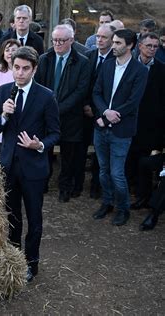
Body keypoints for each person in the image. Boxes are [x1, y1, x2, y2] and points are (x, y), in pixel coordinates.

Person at [0, 46, 60, 282]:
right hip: (9, 166)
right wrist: (2, 115)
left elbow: (55, 133)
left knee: (34, 218)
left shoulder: (46, 96)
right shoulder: (2, 93)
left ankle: (32, 263)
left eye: (25, 69)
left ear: (34, 69)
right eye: (16, 68)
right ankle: (14, 261)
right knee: (12, 217)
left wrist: (39, 145)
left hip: (34, 169)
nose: (19, 73)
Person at [91, 29, 148, 226]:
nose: (112, 46)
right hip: (101, 128)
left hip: (121, 131)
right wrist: (105, 112)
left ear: (130, 45)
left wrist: (107, 118)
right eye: (113, 42)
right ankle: (107, 202)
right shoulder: (106, 66)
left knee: (117, 173)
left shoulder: (140, 71)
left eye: (117, 43)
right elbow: (96, 92)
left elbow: (133, 102)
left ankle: (123, 208)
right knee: (103, 171)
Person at [34, 24, 90, 202]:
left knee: (68, 156)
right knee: (45, 152)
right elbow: (38, 85)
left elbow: (81, 92)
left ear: (71, 41)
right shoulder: (45, 59)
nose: (57, 44)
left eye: (61, 41)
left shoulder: (83, 62)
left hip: (71, 117)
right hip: (46, 116)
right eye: (54, 40)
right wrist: (47, 109)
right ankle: (42, 183)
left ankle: (65, 187)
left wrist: (58, 109)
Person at [128, 33, 165, 210]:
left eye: (155, 46)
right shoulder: (130, 66)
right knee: (130, 159)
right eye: (149, 45)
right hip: (129, 121)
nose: (152, 49)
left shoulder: (162, 69)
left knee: (145, 161)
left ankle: (144, 196)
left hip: (151, 125)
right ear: (139, 46)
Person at [79, 24, 116, 199]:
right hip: (84, 112)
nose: (99, 40)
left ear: (112, 40)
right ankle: (77, 184)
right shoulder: (89, 55)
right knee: (81, 148)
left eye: (104, 37)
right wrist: (86, 105)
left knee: (100, 153)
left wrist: (97, 110)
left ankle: (96, 185)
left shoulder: (115, 61)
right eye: (98, 36)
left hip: (103, 114)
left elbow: (109, 91)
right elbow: (83, 84)